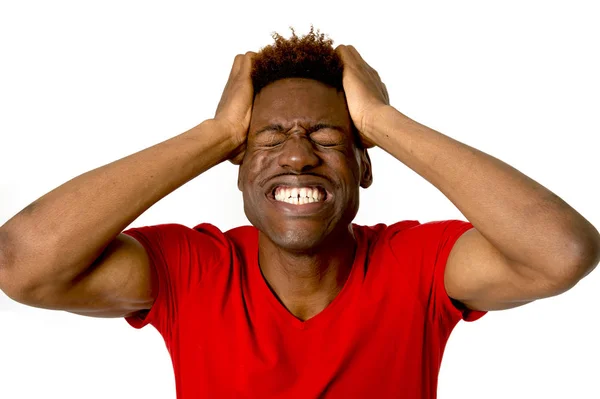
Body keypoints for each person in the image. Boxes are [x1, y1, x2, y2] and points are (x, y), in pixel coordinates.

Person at [0, 27, 598, 399]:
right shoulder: (193, 271)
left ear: (365, 165)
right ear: (234, 163)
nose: (297, 157)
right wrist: (214, 133)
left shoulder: (416, 266)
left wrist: (385, 123)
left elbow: (562, 253)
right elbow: (22, 264)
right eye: (267, 140)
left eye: (329, 138)